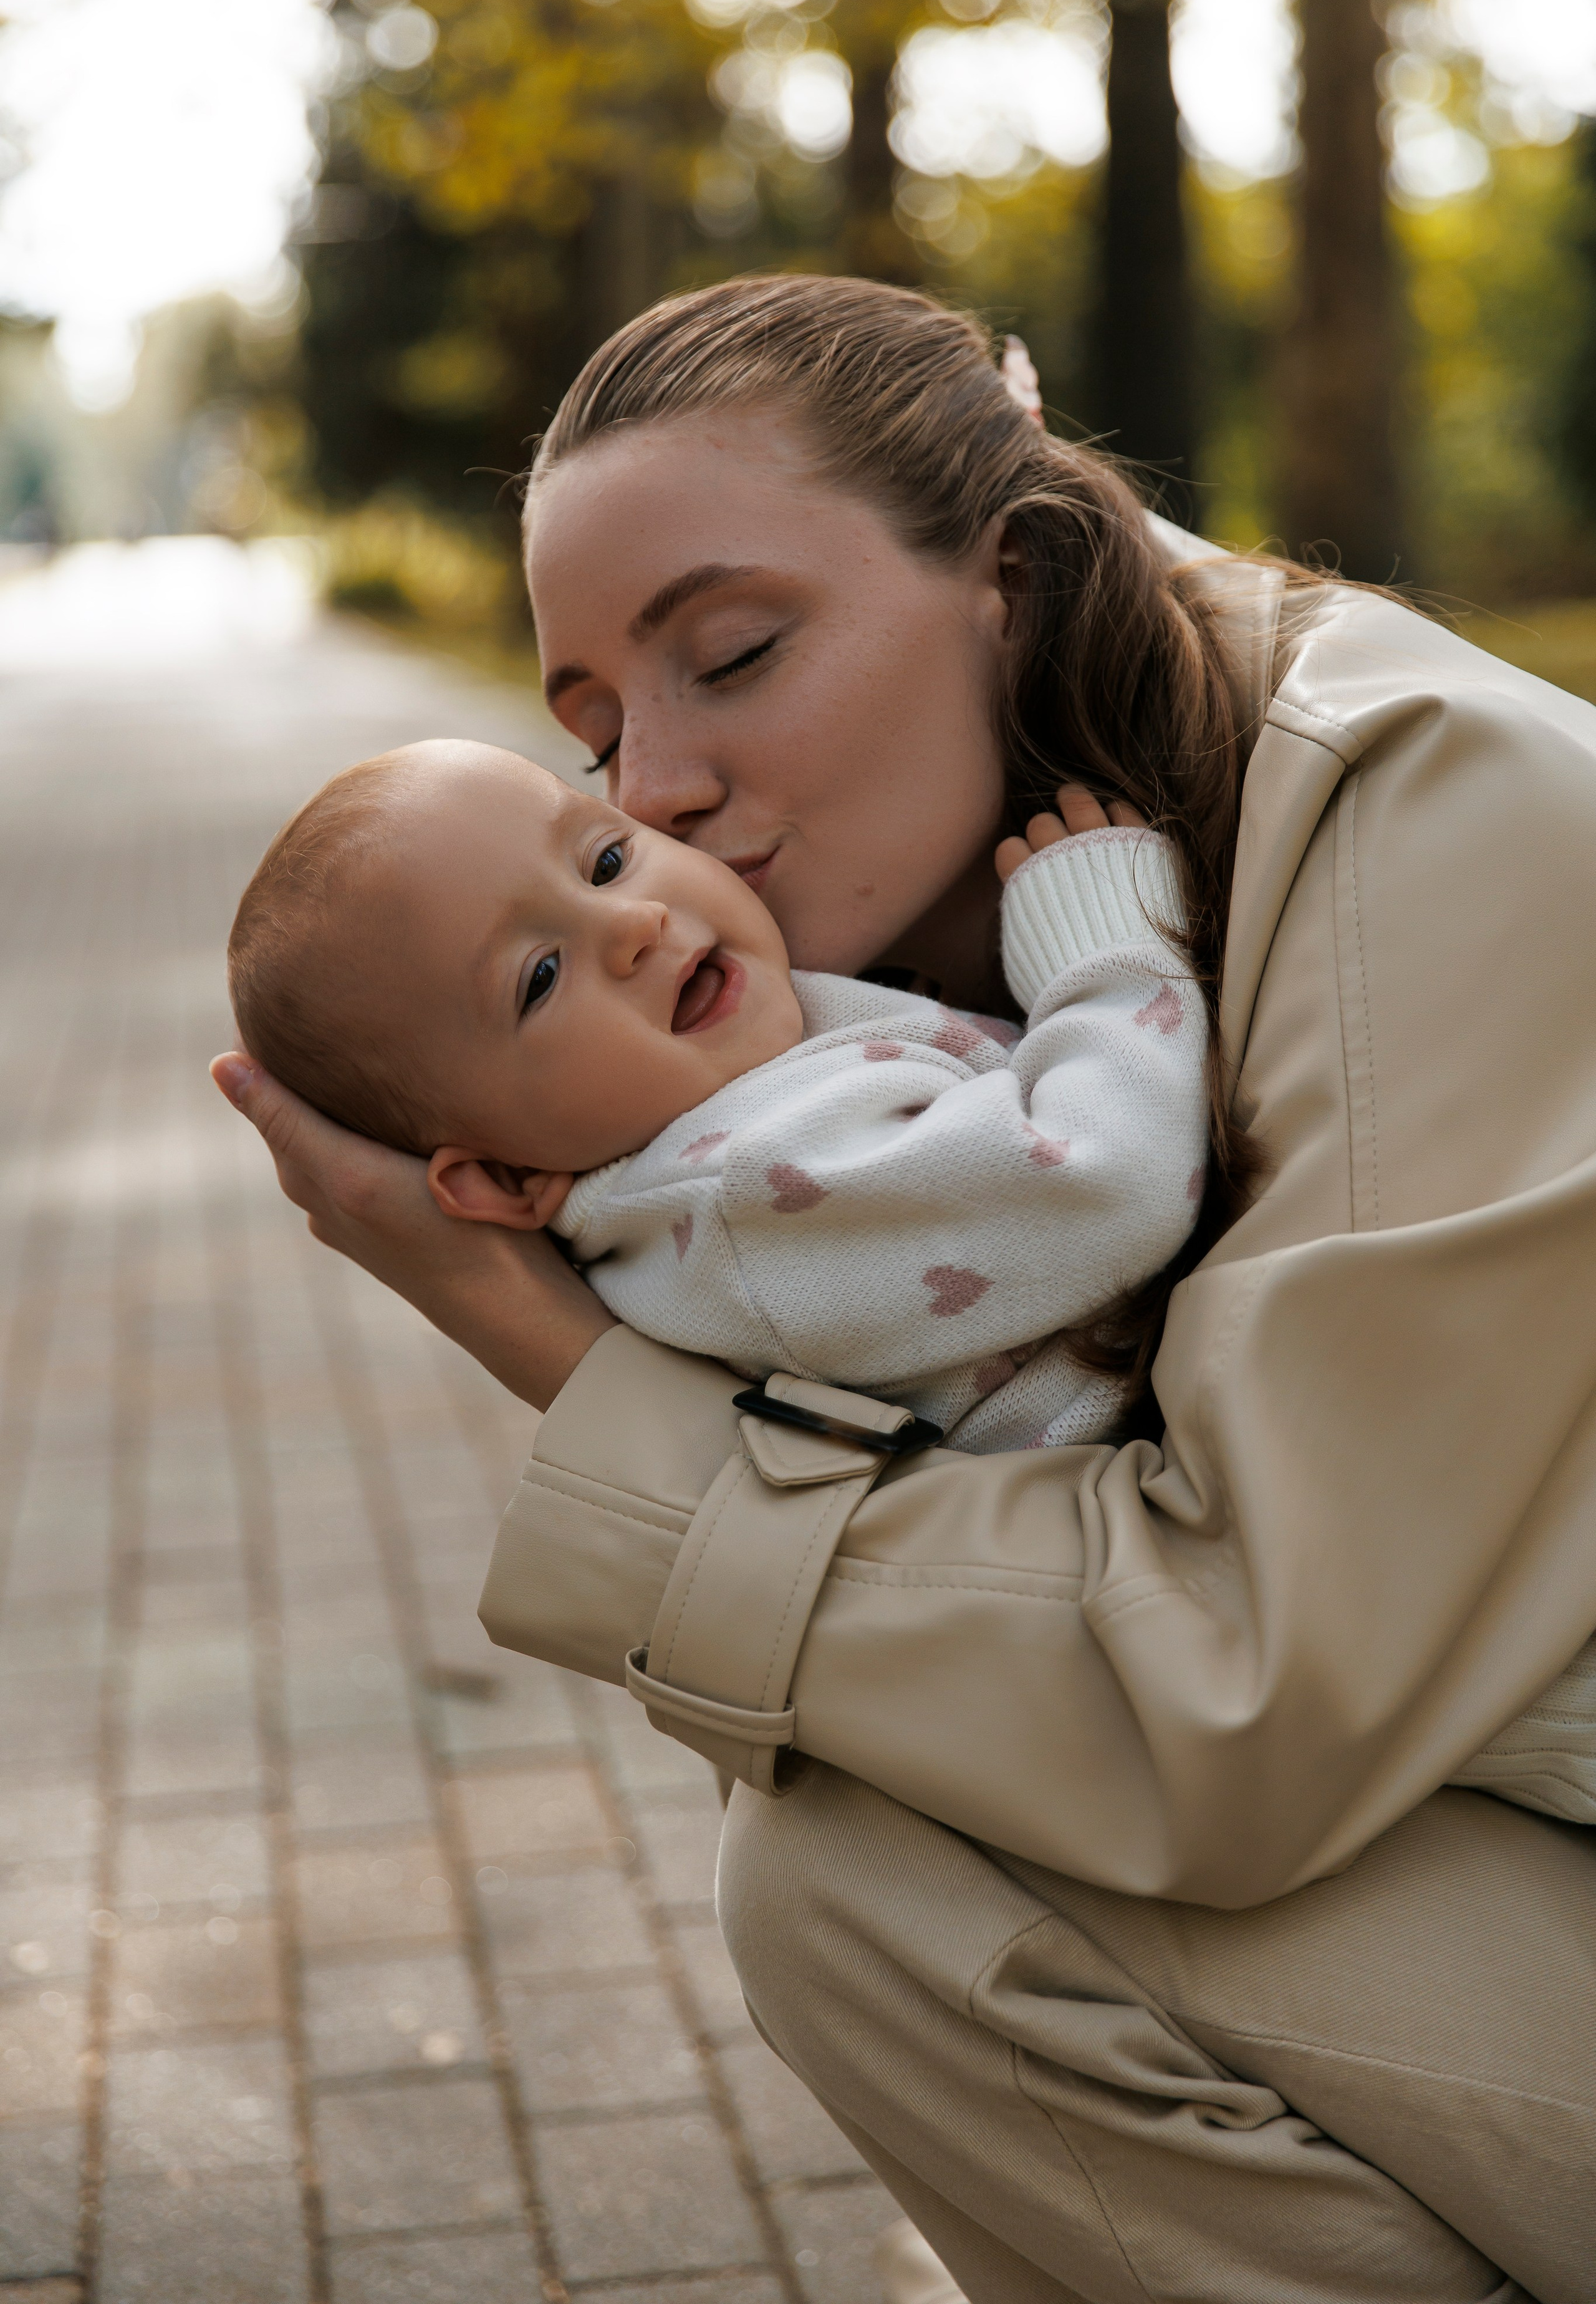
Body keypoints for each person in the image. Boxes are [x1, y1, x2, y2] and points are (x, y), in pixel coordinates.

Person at [213, 276, 1596, 2303]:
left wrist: (535, 1340)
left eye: (734, 653)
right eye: (596, 730)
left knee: (868, 1890)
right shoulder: (892, 974)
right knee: (863, 1849)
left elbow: (1227, 1695)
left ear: (1008, 579)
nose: (660, 791)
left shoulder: (1425, 817)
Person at [224, 739, 1206, 1453]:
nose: (633, 924)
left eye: (606, 859)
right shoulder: (743, 1195)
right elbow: (1103, 1182)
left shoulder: (741, 1081)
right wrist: (1109, 953)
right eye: (539, 978)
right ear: (499, 1174)